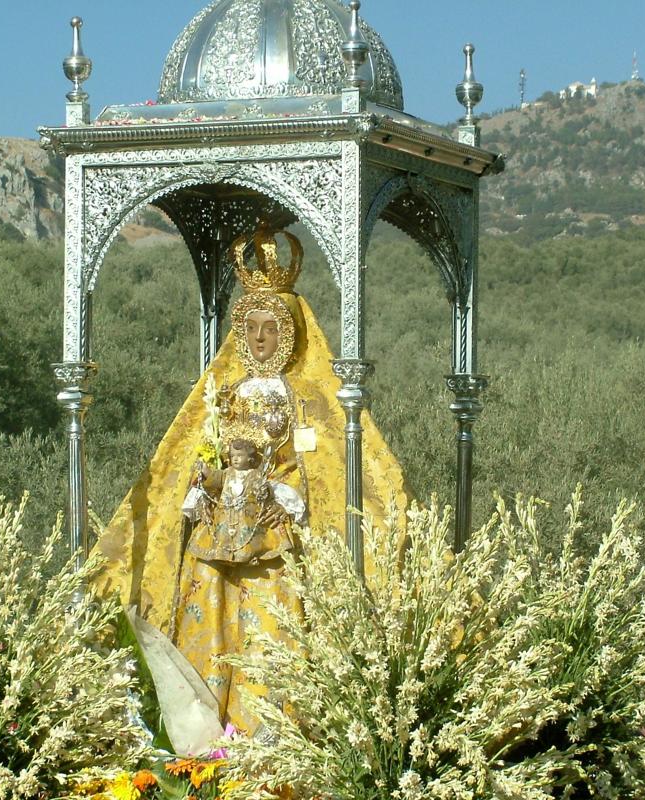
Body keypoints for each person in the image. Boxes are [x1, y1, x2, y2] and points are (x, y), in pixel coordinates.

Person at [91, 227, 410, 732]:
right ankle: (206, 728)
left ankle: (269, 729)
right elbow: (198, 452)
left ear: (290, 334)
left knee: (270, 625)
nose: (261, 339)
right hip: (218, 533)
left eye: (271, 328)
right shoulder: (224, 391)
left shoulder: (306, 395)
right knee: (210, 617)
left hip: (272, 533)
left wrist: (285, 497)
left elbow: (324, 465)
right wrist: (203, 487)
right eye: (252, 327)